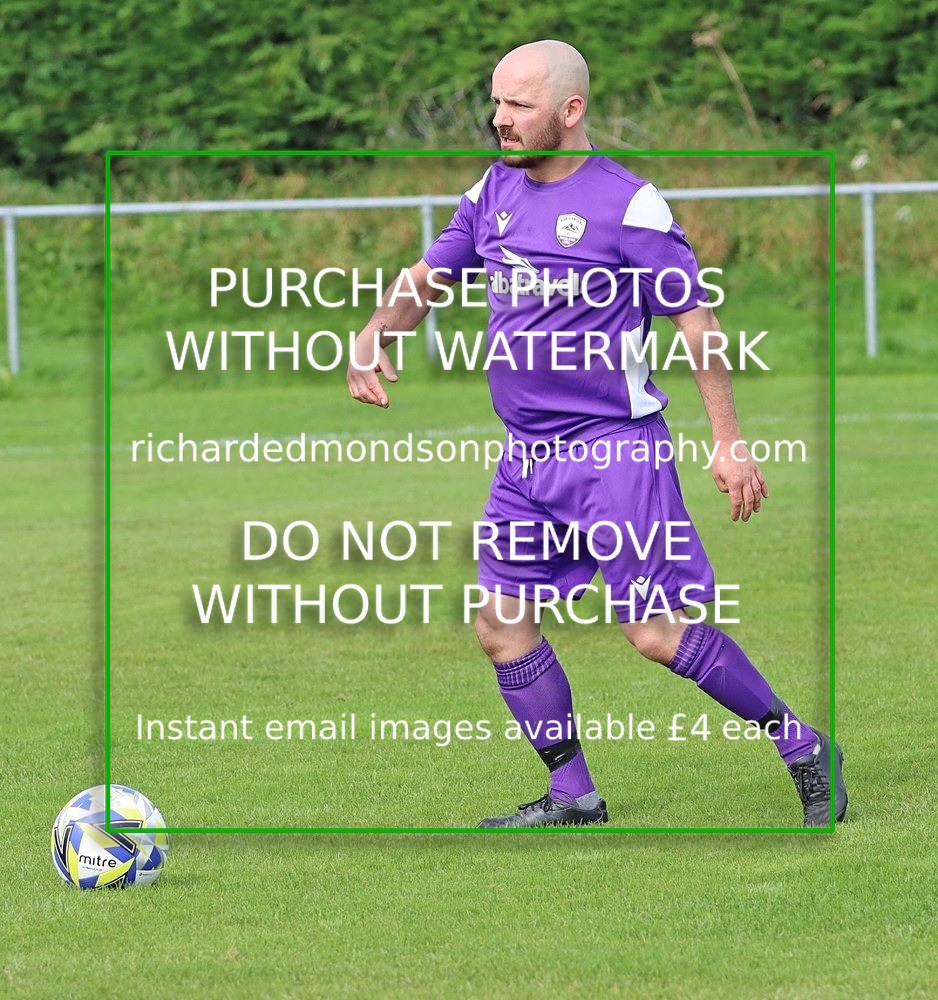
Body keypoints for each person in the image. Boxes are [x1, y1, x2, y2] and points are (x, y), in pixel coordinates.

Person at [347, 39, 847, 828]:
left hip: (614, 453)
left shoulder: (630, 205)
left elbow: (697, 320)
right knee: (500, 624)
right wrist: (378, 330)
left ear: (569, 111)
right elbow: (430, 277)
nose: (499, 118)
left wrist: (729, 439)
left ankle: (802, 745)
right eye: (497, 101)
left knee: (652, 633)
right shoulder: (492, 191)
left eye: (518, 105)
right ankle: (573, 795)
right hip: (527, 459)